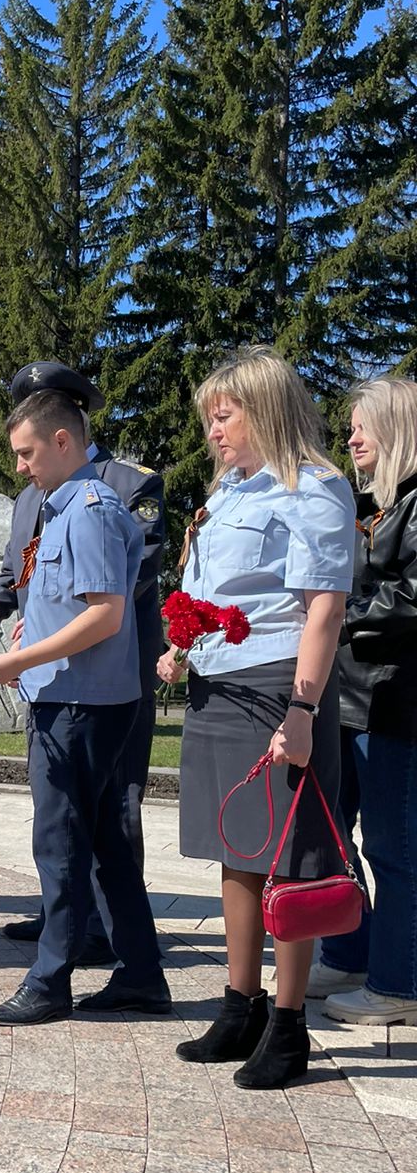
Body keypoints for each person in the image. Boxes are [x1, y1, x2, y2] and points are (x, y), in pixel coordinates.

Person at [158, 346, 355, 1089]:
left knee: (292, 858)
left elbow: (323, 609)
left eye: (224, 413)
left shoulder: (314, 487)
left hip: (280, 684)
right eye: (209, 416)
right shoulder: (232, 493)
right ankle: (239, 1005)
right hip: (221, 686)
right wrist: (184, 645)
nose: (213, 429)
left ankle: (289, 1022)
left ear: (265, 407)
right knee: (235, 844)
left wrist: (302, 707)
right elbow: (222, 590)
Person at [0, 389, 170, 1025]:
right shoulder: (66, 508)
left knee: (60, 843)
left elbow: (105, 615)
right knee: (106, 843)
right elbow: (69, 603)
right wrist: (28, 631)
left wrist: (21, 662)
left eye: (27, 452)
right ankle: (142, 976)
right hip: (81, 698)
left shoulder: (87, 510)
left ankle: (50, 978)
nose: (20, 467)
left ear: (63, 442)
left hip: (78, 704)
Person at [315, 378, 417, 1025]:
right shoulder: (368, 505)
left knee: (393, 849)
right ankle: (351, 950)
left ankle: (399, 986)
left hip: (396, 706)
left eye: (364, 426)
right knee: (331, 838)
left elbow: (409, 597)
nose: (351, 437)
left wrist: (337, 615)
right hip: (347, 699)